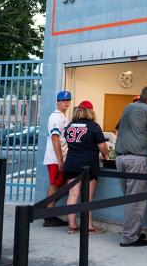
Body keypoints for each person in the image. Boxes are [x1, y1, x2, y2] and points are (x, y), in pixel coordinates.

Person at [115, 85, 147, 247]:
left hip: (120, 158)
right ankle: (129, 237)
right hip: (137, 159)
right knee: (136, 201)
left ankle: (132, 233)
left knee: (129, 199)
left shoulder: (128, 107)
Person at [61, 101, 108, 233]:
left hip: (71, 164)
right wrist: (106, 156)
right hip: (88, 166)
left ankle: (72, 225)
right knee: (87, 197)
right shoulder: (93, 126)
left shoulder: (70, 126)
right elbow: (103, 146)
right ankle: (88, 226)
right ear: (90, 111)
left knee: (73, 195)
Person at [42, 90, 72, 227]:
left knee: (61, 184)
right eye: (63, 100)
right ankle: (49, 216)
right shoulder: (56, 117)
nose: (66, 102)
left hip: (61, 157)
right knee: (54, 184)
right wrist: (60, 161)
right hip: (55, 158)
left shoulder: (63, 116)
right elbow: (55, 140)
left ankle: (49, 209)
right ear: (57, 102)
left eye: (68, 100)